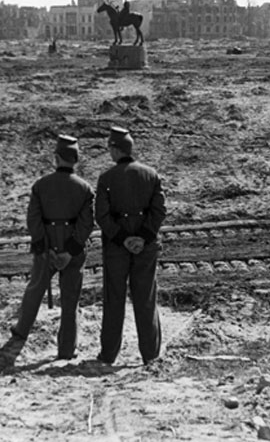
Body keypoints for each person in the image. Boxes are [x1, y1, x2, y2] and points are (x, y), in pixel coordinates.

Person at [11, 134, 95, 361]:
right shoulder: (85, 189)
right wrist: (70, 251)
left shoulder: (40, 186)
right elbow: (87, 223)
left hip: (46, 245)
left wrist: (44, 248)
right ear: (76, 160)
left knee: (35, 290)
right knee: (70, 299)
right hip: (73, 250)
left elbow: (34, 220)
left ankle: (19, 335)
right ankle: (66, 349)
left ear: (56, 158)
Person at [95, 126, 167, 366]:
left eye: (109, 148)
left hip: (116, 248)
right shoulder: (151, 175)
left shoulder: (106, 179)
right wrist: (143, 237)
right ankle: (150, 354)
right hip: (145, 247)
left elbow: (102, 216)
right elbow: (159, 211)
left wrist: (123, 238)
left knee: (114, 299)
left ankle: (108, 355)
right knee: (145, 298)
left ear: (116, 150)